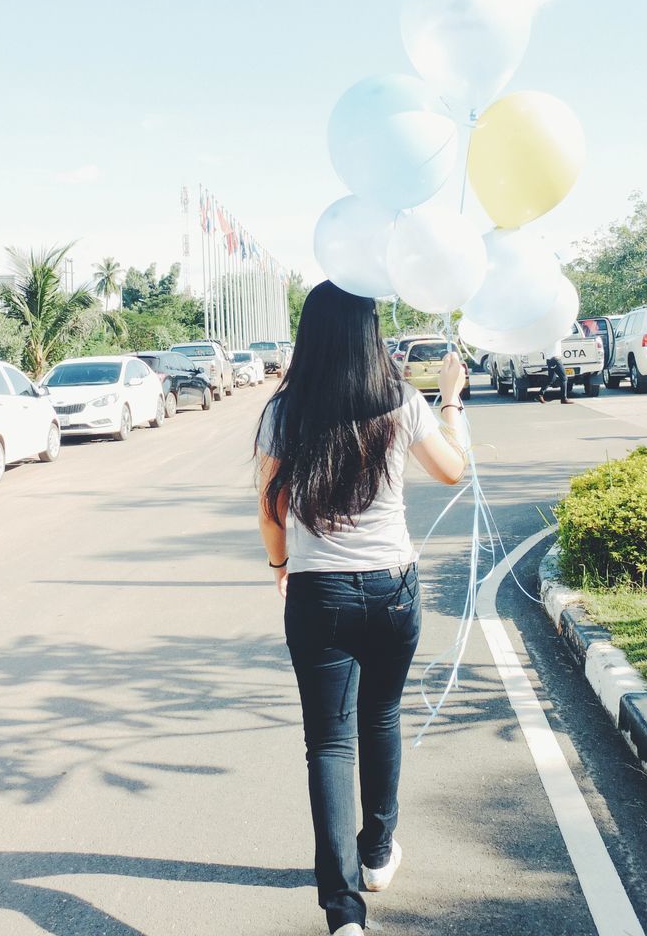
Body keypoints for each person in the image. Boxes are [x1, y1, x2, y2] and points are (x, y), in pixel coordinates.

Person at [255, 281, 468, 936]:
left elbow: (271, 507)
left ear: (311, 335)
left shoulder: (285, 409)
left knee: (328, 742)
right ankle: (377, 852)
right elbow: (453, 471)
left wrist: (282, 567)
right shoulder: (400, 401)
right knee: (380, 718)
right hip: (393, 587)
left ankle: (344, 913)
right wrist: (452, 400)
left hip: (319, 590)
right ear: (371, 336)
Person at [537, 338, 570, 404]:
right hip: (555, 360)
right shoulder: (556, 336)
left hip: (549, 360)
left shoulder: (547, 338)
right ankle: (564, 399)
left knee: (551, 379)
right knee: (564, 378)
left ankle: (540, 395)